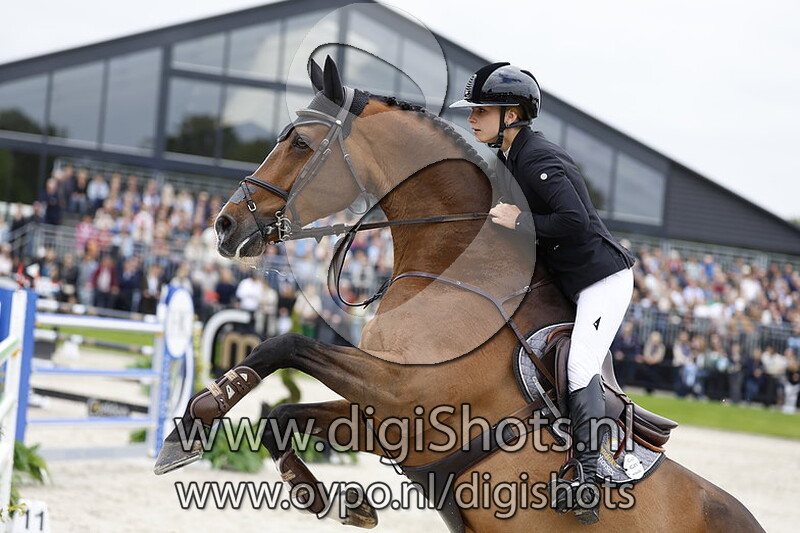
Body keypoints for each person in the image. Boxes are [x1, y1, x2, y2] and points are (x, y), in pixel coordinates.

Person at [450, 62, 636, 525]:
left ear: (511, 115)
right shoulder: (509, 158)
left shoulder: (537, 158)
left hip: (601, 281)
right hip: (570, 279)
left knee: (579, 367)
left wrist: (518, 222)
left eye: (481, 111)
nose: (471, 118)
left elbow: (574, 221)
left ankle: (588, 478)